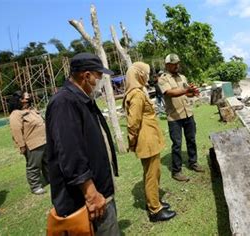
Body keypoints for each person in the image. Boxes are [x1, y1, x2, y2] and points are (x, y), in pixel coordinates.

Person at [45, 53, 120, 235]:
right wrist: (91, 193)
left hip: (99, 191)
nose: (101, 81)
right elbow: (71, 154)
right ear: (86, 76)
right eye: (99, 76)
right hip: (86, 199)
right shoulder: (64, 102)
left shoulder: (83, 99)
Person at [123, 62, 177, 222]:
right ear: (138, 74)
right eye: (145, 73)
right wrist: (132, 141)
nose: (147, 76)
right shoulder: (137, 95)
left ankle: (154, 201)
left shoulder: (137, 91)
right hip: (146, 141)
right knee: (152, 175)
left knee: (152, 173)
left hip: (149, 139)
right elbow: (133, 122)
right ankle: (155, 210)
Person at [158, 53, 204, 182]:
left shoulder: (182, 77)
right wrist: (186, 90)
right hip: (174, 117)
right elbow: (170, 93)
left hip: (188, 113)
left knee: (191, 139)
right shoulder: (163, 79)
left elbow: (186, 94)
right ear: (167, 65)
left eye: (177, 63)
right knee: (177, 144)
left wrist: (193, 92)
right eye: (173, 64)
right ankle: (176, 171)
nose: (177, 65)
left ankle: (193, 162)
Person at [8, 91, 49, 195]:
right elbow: (16, 131)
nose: (29, 96)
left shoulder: (31, 110)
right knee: (34, 166)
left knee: (48, 163)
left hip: (44, 140)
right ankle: (35, 186)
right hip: (33, 144)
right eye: (27, 96)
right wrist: (21, 146)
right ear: (21, 100)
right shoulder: (15, 114)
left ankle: (51, 179)